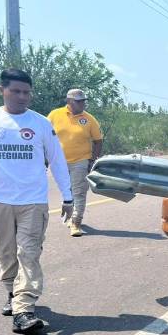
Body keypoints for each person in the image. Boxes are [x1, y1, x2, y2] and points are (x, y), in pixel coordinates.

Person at [0, 68, 73, 334]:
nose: (22, 97)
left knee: (29, 253)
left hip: (33, 201)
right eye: (16, 91)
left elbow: (57, 160)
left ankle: (23, 309)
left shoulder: (41, 123)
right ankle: (12, 292)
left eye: (27, 92)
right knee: (5, 252)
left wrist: (67, 196)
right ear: (2, 90)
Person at [47, 88, 103, 237]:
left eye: (83, 101)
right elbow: (44, 136)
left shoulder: (89, 119)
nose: (82, 104)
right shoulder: (54, 115)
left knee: (79, 193)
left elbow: (98, 141)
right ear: (69, 101)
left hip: (81, 161)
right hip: (58, 162)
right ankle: (70, 212)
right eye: (79, 101)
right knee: (68, 192)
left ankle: (76, 222)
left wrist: (93, 160)